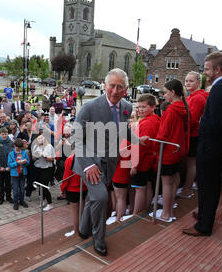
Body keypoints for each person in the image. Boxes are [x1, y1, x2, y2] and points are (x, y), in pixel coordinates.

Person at [72, 68, 148, 256]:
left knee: (95, 197)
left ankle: (83, 228)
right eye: (112, 86)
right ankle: (99, 239)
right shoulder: (89, 107)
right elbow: (75, 138)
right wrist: (88, 165)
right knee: (101, 197)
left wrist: (137, 140)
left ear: (126, 89)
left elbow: (122, 130)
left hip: (110, 162)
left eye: (119, 87)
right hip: (89, 162)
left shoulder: (127, 107)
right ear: (105, 85)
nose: (115, 91)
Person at [183, 51, 222, 237]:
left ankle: (204, 225)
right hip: (215, 145)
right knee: (209, 183)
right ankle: (205, 213)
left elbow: (217, 121)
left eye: (207, 69)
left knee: (208, 184)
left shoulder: (219, 88)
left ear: (218, 69)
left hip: (211, 146)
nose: (204, 72)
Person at [154, 80, 190, 222]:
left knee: (167, 183)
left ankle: (166, 214)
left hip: (168, 151)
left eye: (166, 92)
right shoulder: (183, 107)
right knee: (174, 179)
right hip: (178, 150)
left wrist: (154, 148)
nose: (164, 95)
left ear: (173, 92)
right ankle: (169, 209)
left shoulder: (171, 110)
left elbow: (162, 134)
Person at [178, 71, 208, 199]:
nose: (188, 83)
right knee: (191, 163)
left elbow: (192, 119)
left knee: (191, 164)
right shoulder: (192, 97)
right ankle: (189, 186)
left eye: (191, 81)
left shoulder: (197, 98)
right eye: (186, 81)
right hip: (190, 134)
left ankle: (187, 189)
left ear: (199, 83)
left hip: (194, 135)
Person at [130, 94, 161, 216]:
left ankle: (136, 214)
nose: (140, 110)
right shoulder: (156, 119)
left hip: (143, 162)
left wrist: (134, 165)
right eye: (138, 107)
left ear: (153, 107)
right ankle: (146, 208)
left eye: (143, 107)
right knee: (147, 185)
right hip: (150, 160)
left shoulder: (146, 123)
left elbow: (141, 147)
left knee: (139, 188)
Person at [61, 153, 88, 237]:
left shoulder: (70, 159)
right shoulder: (87, 157)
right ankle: (83, 229)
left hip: (73, 189)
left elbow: (66, 176)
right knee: (82, 210)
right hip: (84, 188)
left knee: (75, 212)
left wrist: (63, 189)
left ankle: (76, 231)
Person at [32, 134, 55, 211]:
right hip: (37, 168)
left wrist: (44, 156)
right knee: (39, 185)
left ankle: (50, 204)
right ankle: (42, 200)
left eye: (42, 138)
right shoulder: (35, 146)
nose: (40, 139)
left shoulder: (49, 147)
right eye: (38, 138)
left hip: (47, 168)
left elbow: (52, 159)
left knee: (44, 186)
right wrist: (35, 156)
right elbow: (33, 159)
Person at [0, 127, 14, 205]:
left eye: (5, 134)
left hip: (8, 167)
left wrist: (10, 166)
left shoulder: (11, 143)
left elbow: (13, 156)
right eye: (2, 134)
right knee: (0, 183)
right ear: (0, 134)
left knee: (8, 183)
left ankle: (8, 196)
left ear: (7, 134)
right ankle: (1, 197)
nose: (4, 136)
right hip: (1, 167)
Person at [8, 138, 30, 210]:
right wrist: (16, 163)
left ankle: (21, 201)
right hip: (15, 174)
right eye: (18, 147)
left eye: (20, 147)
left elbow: (28, 162)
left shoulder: (24, 153)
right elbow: (9, 164)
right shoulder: (11, 154)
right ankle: (15, 203)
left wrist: (25, 162)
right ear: (14, 146)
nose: (19, 149)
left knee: (22, 189)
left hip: (23, 173)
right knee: (15, 189)